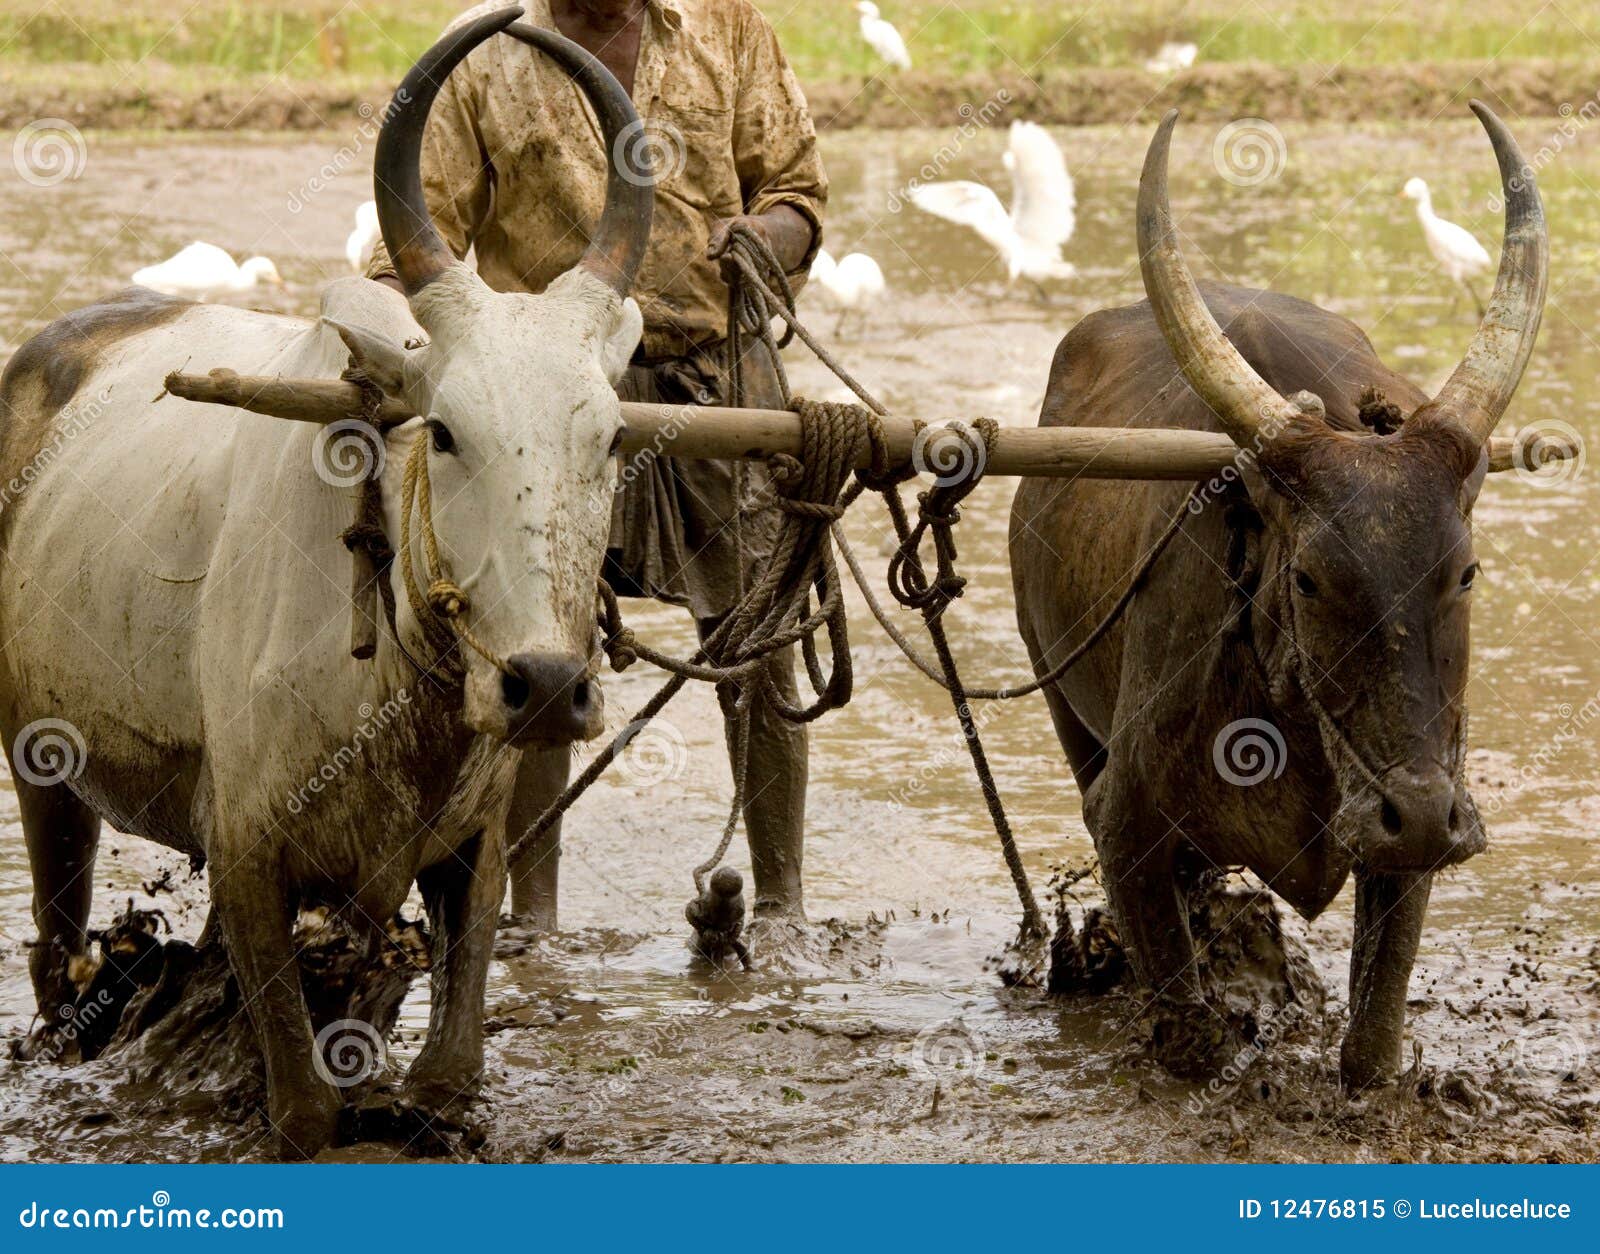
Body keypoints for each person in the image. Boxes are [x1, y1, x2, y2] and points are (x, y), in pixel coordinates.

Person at [368, 0, 827, 928]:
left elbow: (796, 194)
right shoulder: (483, 53)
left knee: (759, 639)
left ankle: (783, 907)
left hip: (713, 378)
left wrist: (767, 237)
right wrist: (392, 335)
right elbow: (415, 238)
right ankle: (531, 916)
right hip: (541, 397)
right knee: (533, 634)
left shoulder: (729, 28)